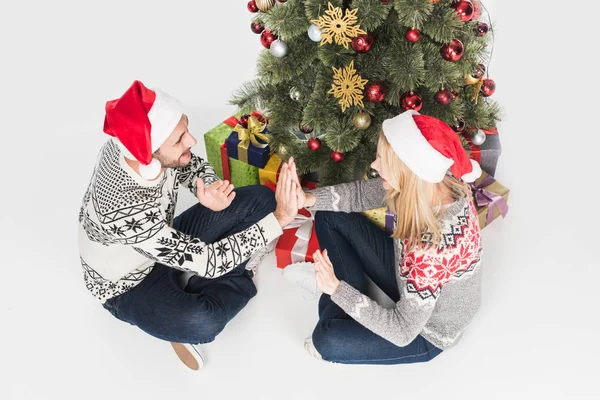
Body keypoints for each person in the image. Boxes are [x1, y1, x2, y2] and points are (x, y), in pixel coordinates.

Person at [77, 80, 300, 370]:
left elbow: (190, 164)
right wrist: (280, 220)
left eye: (185, 130)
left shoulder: (135, 147)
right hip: (127, 286)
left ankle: (193, 284)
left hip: (163, 240)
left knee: (261, 200)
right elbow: (208, 262)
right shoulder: (120, 209)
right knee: (203, 322)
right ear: (150, 153)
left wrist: (205, 191)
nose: (192, 141)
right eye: (180, 138)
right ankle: (219, 286)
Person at [296, 110, 483, 365]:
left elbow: (402, 331)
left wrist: (336, 289)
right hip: (413, 284)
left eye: (381, 160)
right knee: (327, 214)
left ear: (406, 171)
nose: (374, 165)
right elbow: (367, 193)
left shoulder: (428, 250)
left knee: (326, 339)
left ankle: (333, 291)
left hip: (425, 331)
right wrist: (309, 198)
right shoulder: (435, 182)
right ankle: (341, 291)